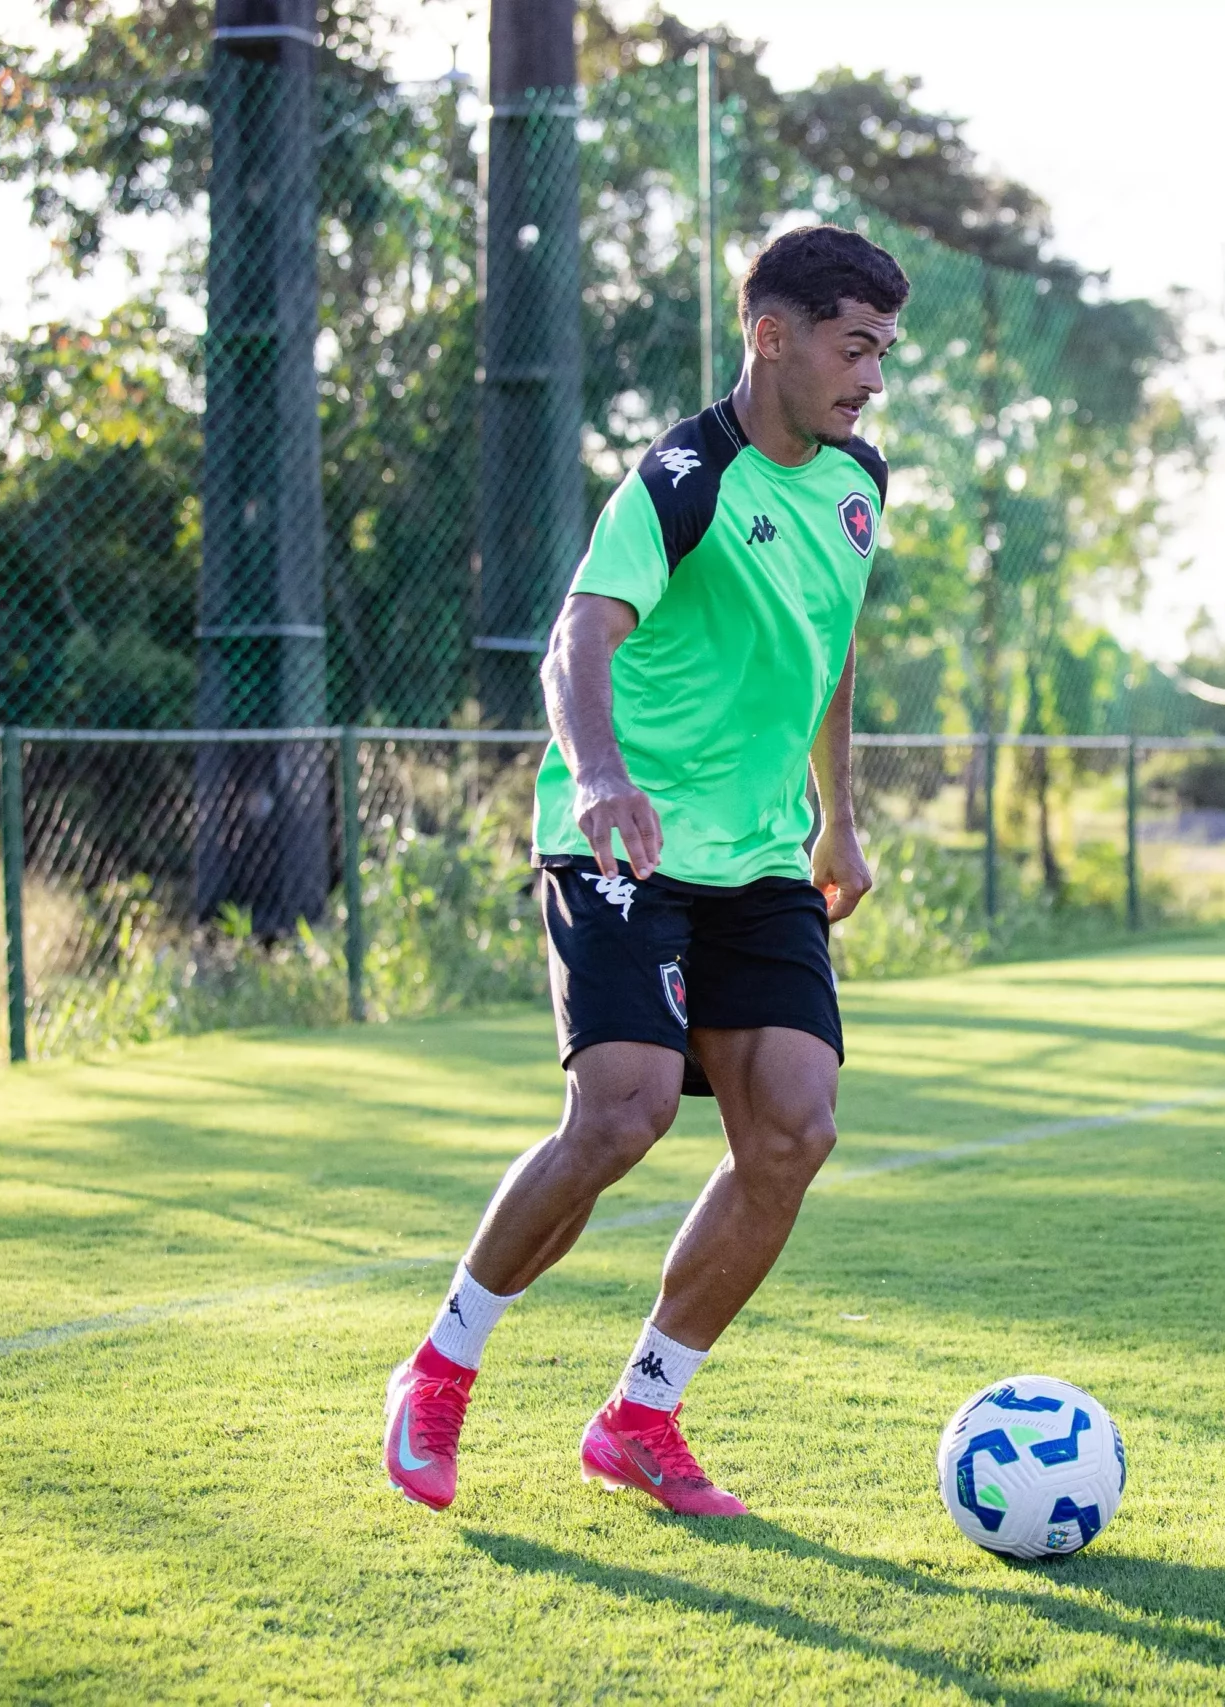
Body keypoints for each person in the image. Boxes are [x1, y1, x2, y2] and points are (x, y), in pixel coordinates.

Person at [382, 225, 907, 1516]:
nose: (874, 378)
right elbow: (579, 635)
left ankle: (642, 1411)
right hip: (625, 833)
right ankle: (442, 1362)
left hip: (762, 856)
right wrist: (603, 769)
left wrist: (839, 820)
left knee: (795, 1125)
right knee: (620, 1113)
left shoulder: (859, 485)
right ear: (772, 335)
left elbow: (827, 650)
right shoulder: (678, 479)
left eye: (886, 352)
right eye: (856, 347)